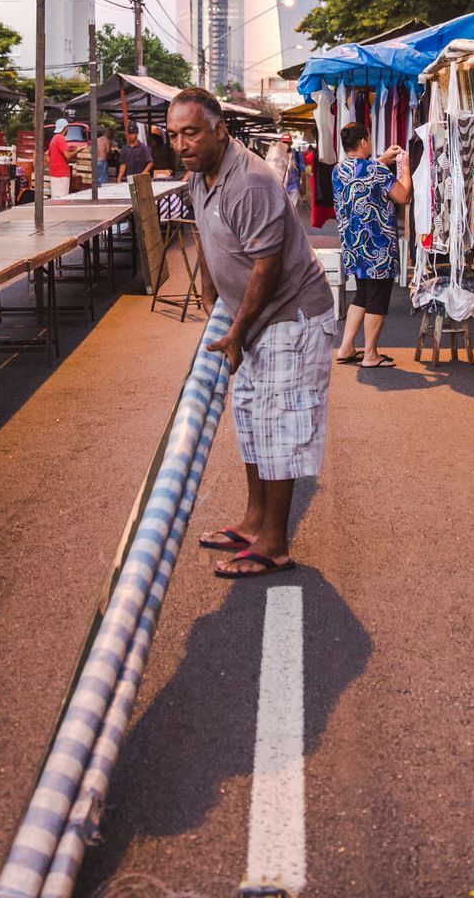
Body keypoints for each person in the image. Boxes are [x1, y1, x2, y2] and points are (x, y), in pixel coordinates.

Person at [168, 88, 336, 579]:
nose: (182, 144)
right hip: (252, 318)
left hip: (291, 317)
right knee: (250, 419)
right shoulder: (200, 176)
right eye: (174, 135)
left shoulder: (251, 183)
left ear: (220, 129)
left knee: (279, 425)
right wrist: (209, 294)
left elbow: (266, 264)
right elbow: (204, 234)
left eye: (191, 133)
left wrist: (237, 328)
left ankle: (274, 543)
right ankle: (253, 520)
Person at [330, 122, 411, 368]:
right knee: (377, 297)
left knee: (362, 294)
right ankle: (371, 354)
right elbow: (403, 195)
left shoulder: (338, 170)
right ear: (364, 142)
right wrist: (403, 168)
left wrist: (380, 159)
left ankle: (346, 348)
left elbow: (361, 175)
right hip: (377, 247)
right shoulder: (377, 172)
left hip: (353, 245)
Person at [45, 122, 72, 192]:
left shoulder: (54, 139)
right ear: (65, 128)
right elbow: (68, 156)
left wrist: (53, 164)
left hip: (54, 174)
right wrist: (78, 150)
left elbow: (47, 156)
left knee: (55, 198)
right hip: (62, 175)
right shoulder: (61, 138)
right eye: (67, 127)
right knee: (62, 199)